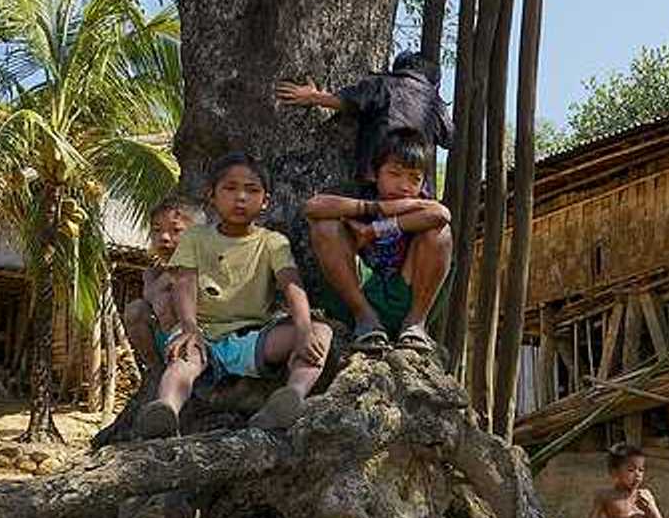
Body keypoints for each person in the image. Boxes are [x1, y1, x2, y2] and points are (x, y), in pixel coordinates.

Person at [136, 153, 334, 438]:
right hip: (201, 334)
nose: (240, 197)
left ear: (265, 201)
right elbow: (184, 283)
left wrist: (303, 328)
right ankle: (165, 409)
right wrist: (190, 326)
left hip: (252, 338)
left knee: (320, 333)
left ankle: (290, 397)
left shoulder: (272, 242)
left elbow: (292, 284)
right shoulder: (195, 238)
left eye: (252, 190)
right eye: (230, 189)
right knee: (183, 362)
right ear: (212, 197)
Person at [302, 130, 452, 353]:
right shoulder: (358, 195)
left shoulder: (421, 206)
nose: (404, 186)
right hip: (356, 300)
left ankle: (415, 324)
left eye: (415, 179)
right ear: (374, 174)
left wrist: (375, 230)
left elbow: (441, 214)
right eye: (395, 174)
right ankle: (366, 318)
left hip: (406, 298)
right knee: (325, 226)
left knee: (440, 233)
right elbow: (313, 207)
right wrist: (374, 208)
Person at [274, 50, 452, 187]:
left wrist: (314, 96)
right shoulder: (437, 104)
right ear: (433, 82)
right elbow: (450, 139)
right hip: (414, 188)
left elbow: (348, 102)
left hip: (376, 181)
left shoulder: (382, 83)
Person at [122, 199, 197, 379]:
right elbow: (150, 297)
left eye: (176, 230)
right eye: (157, 230)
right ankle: (155, 371)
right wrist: (167, 276)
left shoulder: (200, 267)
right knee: (135, 309)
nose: (164, 237)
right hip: (166, 340)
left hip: (197, 339)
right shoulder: (152, 273)